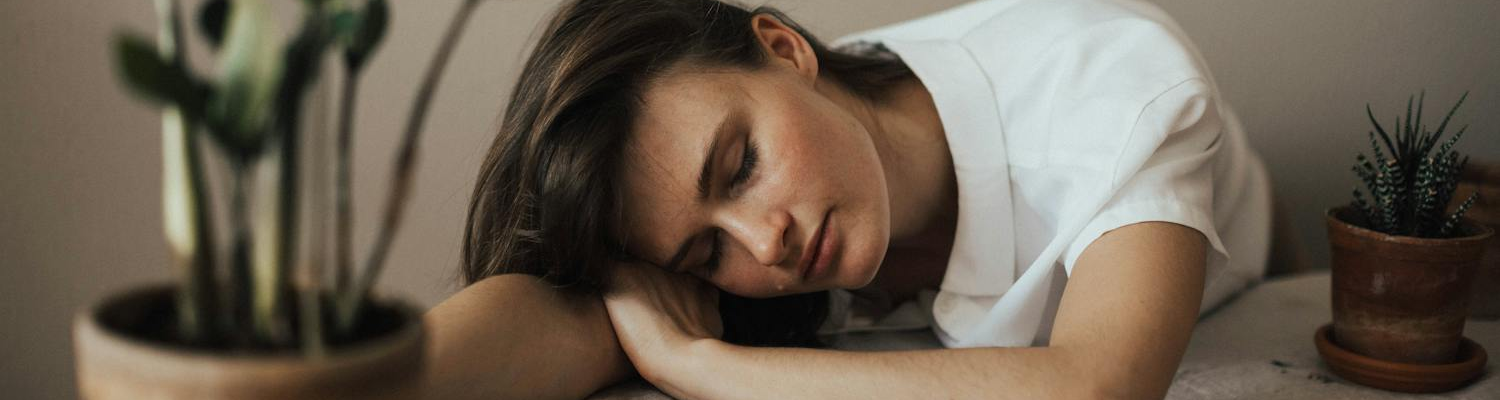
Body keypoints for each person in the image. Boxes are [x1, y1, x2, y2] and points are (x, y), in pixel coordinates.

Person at [425, 0, 1273, 398]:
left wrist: (703, 366)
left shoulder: (1103, 83)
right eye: (706, 253)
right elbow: (558, 317)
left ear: (785, 49)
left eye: (741, 166)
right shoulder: (758, 247)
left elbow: (1100, 386)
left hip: (1258, 246)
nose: (766, 246)